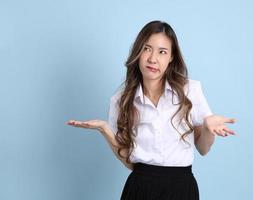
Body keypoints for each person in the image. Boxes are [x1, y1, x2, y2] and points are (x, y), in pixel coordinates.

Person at [66, 20, 237, 200]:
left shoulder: (190, 91)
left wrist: (209, 128)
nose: (153, 59)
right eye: (147, 49)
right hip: (140, 188)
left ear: (171, 57)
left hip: (181, 188)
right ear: (138, 52)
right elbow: (130, 163)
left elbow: (203, 149)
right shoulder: (121, 100)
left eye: (162, 52)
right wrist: (105, 129)